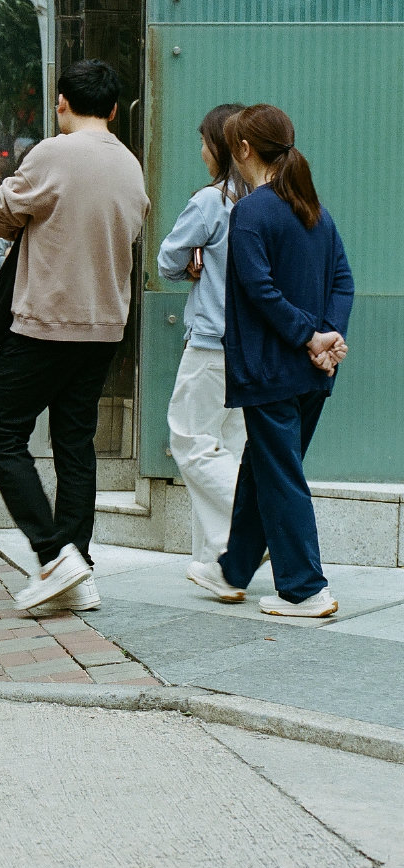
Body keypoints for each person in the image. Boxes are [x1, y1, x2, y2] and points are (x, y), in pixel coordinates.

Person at [0, 59, 150, 614]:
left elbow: (0, 214)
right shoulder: (130, 164)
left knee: (1, 431)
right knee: (75, 443)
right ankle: (80, 570)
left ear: (61, 104)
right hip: (105, 325)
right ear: (115, 109)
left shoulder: (52, 152)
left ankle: (54, 556)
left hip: (47, 320)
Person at [189, 106, 352, 618]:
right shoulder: (316, 212)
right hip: (312, 372)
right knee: (265, 467)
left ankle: (305, 589)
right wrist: (327, 336)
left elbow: (259, 289)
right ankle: (233, 569)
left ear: (242, 149)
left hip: (270, 369)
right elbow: (343, 281)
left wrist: (311, 337)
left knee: (280, 476)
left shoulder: (251, 212)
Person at [159, 104, 248, 578]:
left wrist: (190, 265)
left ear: (222, 147)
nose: (201, 152)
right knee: (227, 451)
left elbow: (167, 260)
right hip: (252, 350)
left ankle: (252, 523)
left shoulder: (212, 202)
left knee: (191, 442)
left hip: (211, 343)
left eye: (204, 142)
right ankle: (218, 566)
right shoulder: (268, 201)